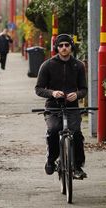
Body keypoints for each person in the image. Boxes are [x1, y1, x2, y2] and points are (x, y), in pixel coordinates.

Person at [35, 33, 88, 179]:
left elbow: (84, 89)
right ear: (56, 48)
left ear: (71, 47)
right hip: (53, 107)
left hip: (72, 108)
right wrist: (52, 93)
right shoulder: (47, 65)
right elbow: (38, 89)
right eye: (61, 45)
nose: (64, 48)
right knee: (53, 130)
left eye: (67, 45)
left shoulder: (78, 66)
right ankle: (51, 159)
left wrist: (77, 95)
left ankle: (77, 166)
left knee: (76, 133)